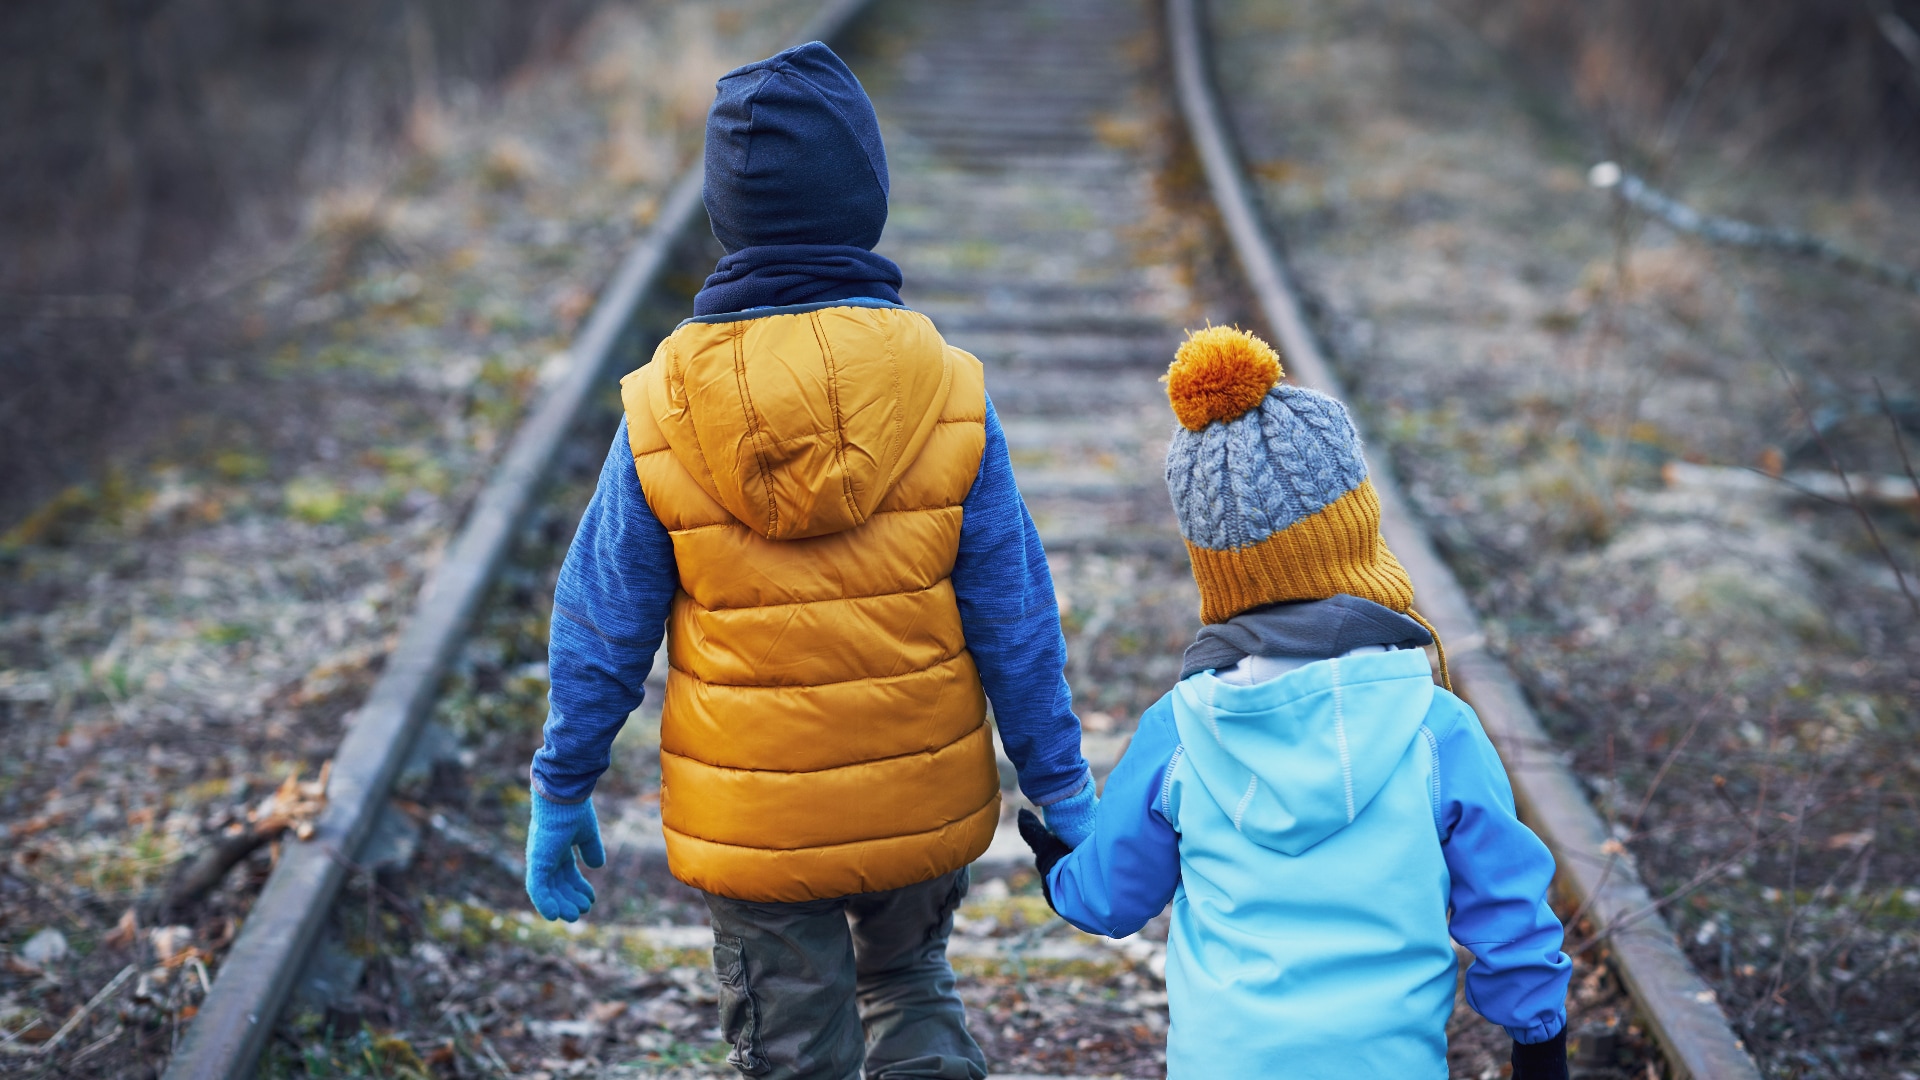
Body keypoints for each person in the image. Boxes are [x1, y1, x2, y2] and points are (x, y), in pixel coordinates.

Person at [520, 41, 1097, 1080]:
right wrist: (1062, 785)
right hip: (917, 803)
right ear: (866, 199)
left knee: (794, 1049)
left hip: (758, 827)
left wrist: (564, 782)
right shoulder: (947, 389)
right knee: (909, 983)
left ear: (725, 218)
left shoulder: (662, 405)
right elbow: (1016, 614)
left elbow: (600, 620)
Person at [1017, 326, 1573, 1079]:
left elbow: (1114, 899)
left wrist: (1061, 875)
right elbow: (1508, 914)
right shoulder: (1437, 731)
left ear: (1218, 574)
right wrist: (1539, 1040)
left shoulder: (1179, 731)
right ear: (1357, 534)